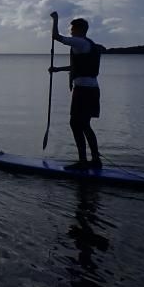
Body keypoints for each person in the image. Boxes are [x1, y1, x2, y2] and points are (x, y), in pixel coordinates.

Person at [49, 12, 104, 170]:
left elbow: (56, 36)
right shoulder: (88, 44)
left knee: (76, 123)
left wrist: (55, 19)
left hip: (84, 91)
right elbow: (78, 66)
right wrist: (58, 69)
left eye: (72, 29)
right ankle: (94, 160)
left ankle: (83, 161)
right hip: (91, 89)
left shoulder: (79, 42)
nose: (71, 32)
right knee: (84, 125)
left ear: (80, 30)